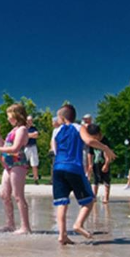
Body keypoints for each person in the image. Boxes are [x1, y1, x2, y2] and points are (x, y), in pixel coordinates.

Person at [51, 105, 116, 245]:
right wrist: (105, 148)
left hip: (57, 168)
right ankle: (78, 224)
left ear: (62, 118)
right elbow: (88, 140)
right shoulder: (79, 128)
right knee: (89, 200)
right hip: (73, 167)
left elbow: (54, 149)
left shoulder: (56, 131)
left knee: (61, 203)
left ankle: (62, 235)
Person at [0, 104, 33, 234]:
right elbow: (5, 145)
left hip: (18, 164)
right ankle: (10, 224)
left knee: (18, 195)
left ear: (16, 115)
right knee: (4, 195)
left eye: (9, 116)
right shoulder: (13, 130)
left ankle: (25, 227)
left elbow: (15, 149)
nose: (8, 119)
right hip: (9, 165)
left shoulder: (22, 130)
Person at [88, 124, 112, 204]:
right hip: (96, 163)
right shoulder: (92, 142)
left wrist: (107, 164)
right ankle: (94, 196)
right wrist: (90, 164)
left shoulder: (105, 140)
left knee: (106, 180)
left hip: (104, 162)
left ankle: (106, 197)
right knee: (95, 180)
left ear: (99, 133)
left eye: (95, 137)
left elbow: (108, 153)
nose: (94, 139)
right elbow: (90, 153)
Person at [24, 116, 41, 184]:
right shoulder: (24, 128)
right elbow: (23, 135)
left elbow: (36, 135)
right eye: (28, 120)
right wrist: (31, 135)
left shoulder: (34, 128)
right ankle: (23, 179)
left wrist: (28, 135)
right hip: (25, 147)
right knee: (23, 163)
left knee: (34, 164)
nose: (30, 122)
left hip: (33, 147)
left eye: (31, 120)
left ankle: (35, 179)